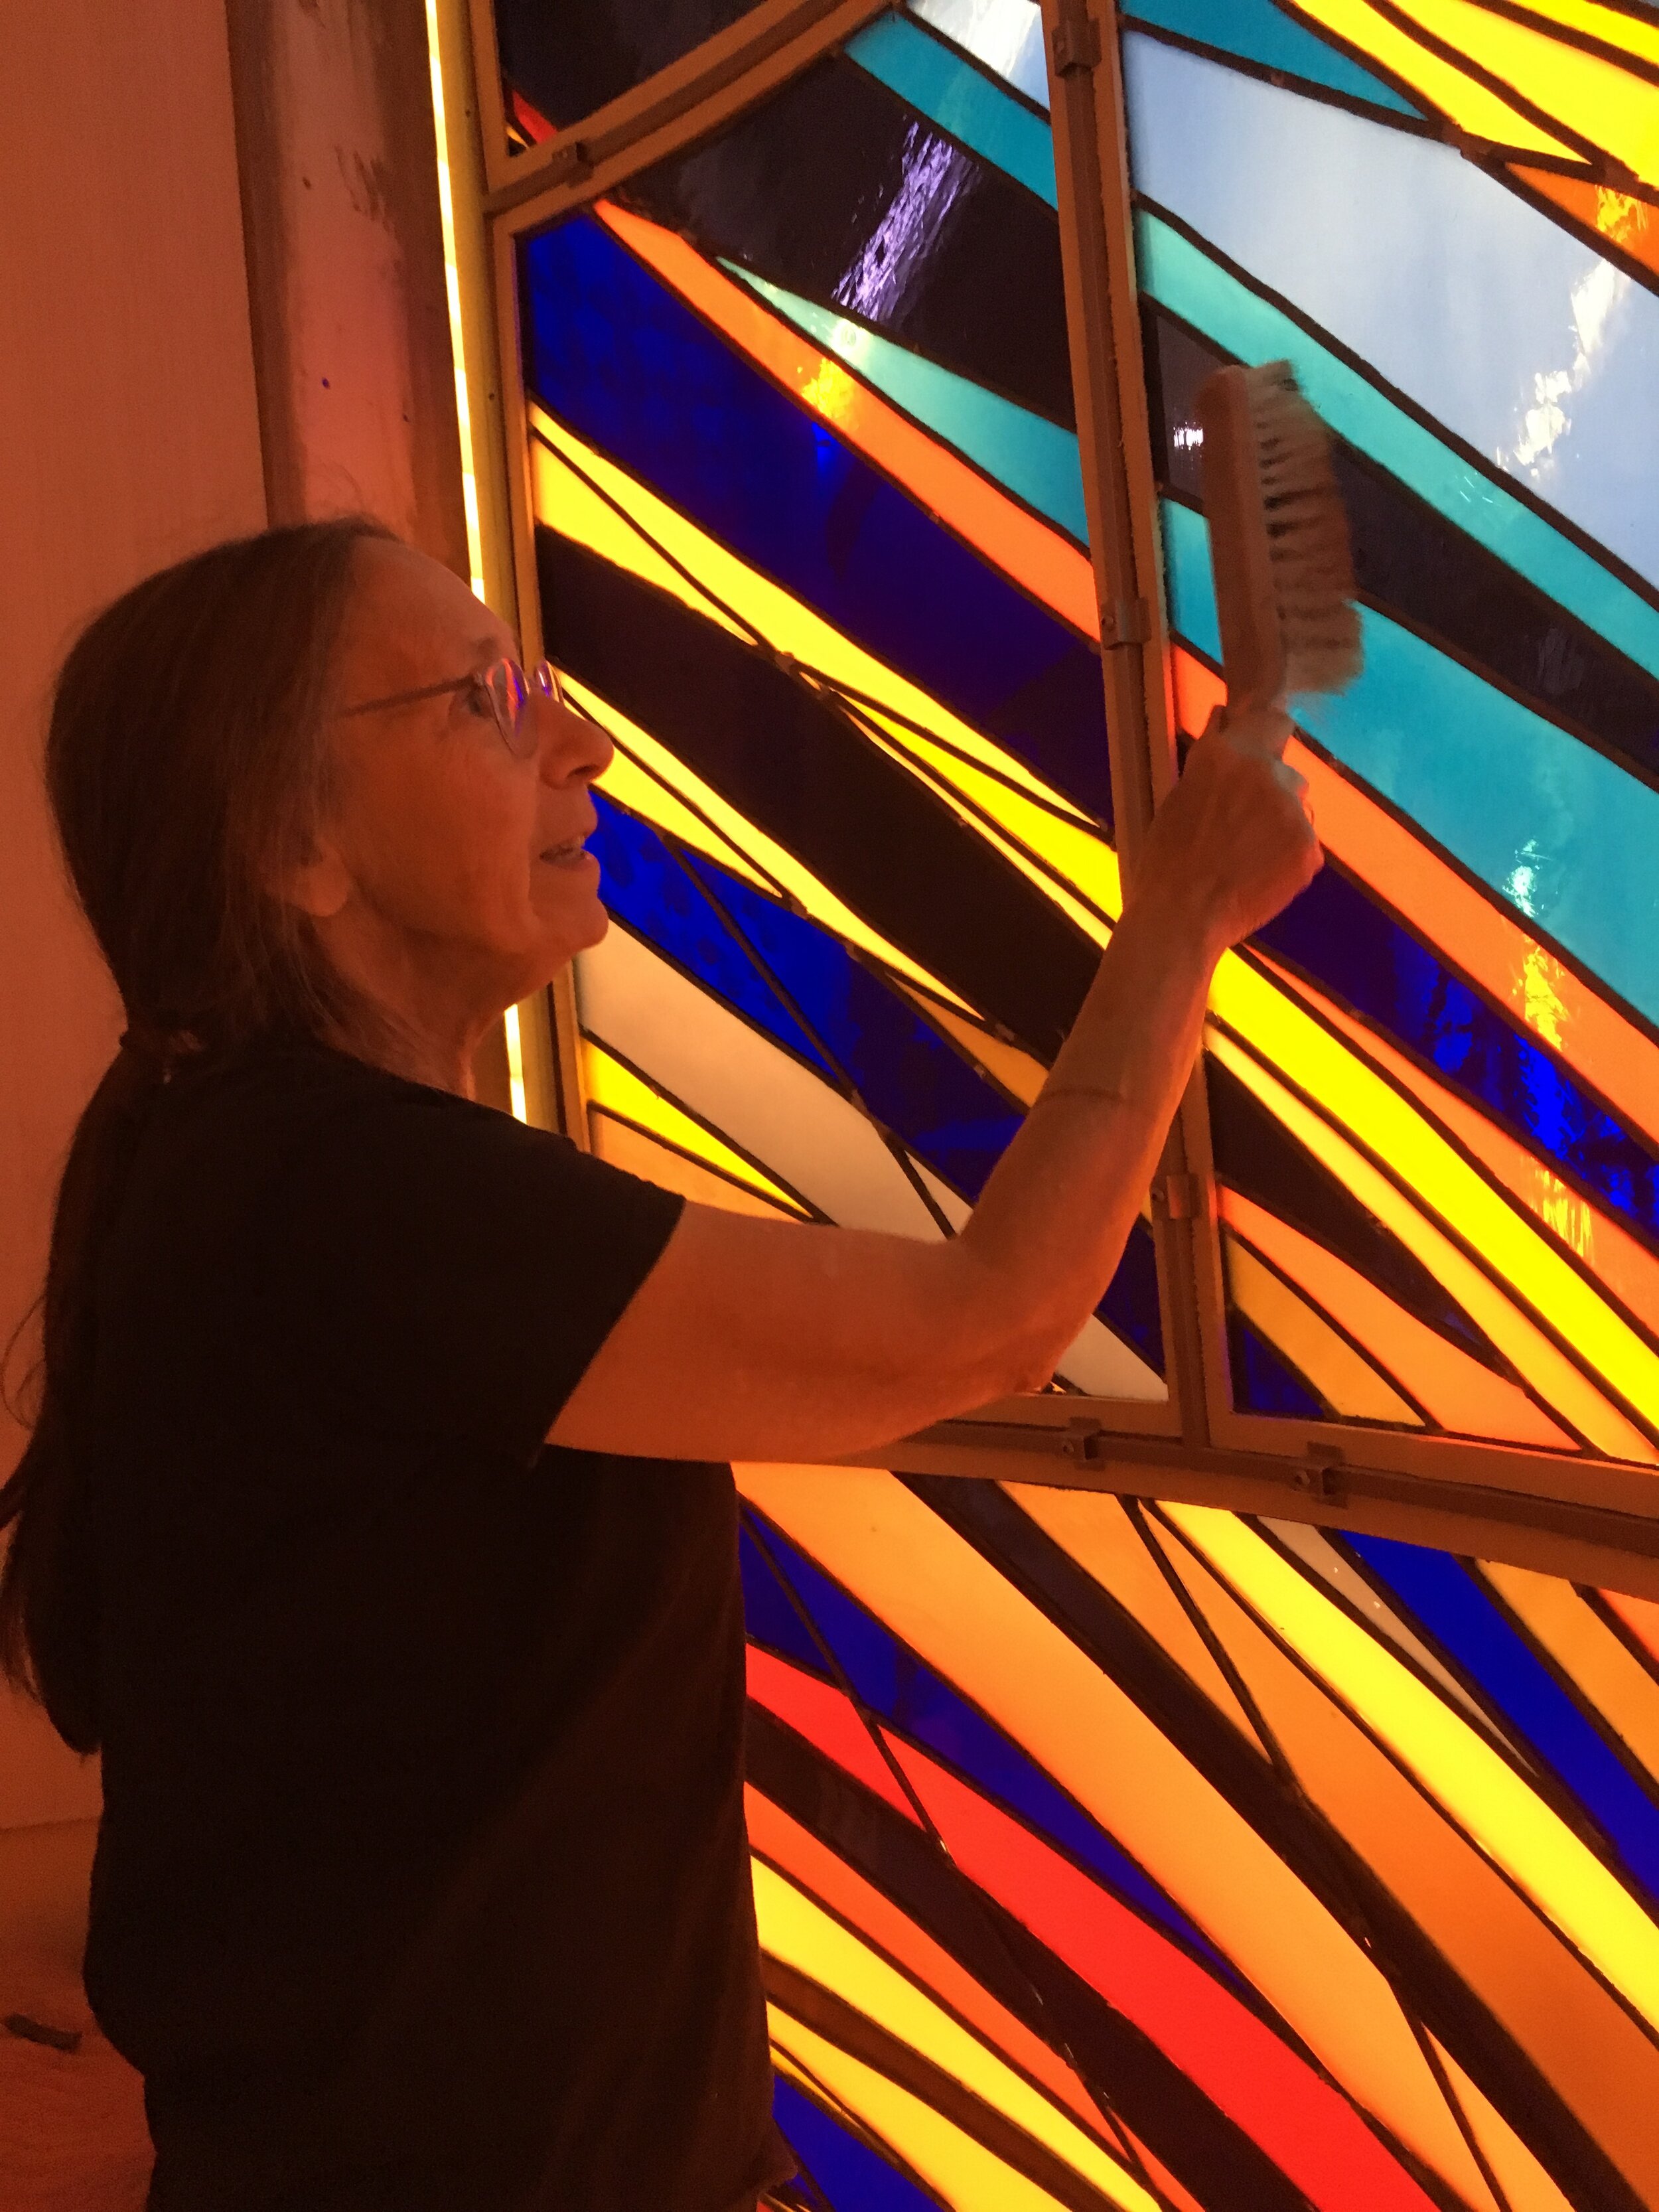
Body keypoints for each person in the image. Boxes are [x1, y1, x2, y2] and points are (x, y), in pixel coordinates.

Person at [0, 520, 1319, 2211]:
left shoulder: (253, 1162)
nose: (582, 740)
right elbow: (981, 1319)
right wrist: (1182, 918)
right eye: (483, 701)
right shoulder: (347, 1191)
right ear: (291, 842)